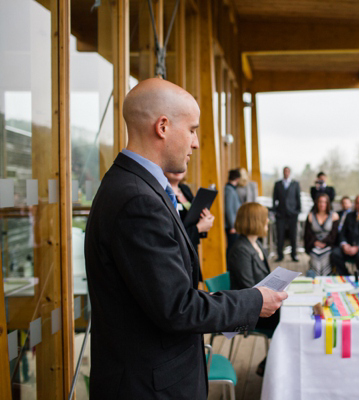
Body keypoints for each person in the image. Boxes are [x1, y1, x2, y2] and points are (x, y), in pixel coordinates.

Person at [84, 78, 287, 399]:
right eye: (192, 130)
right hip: (150, 386)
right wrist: (255, 300)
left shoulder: (134, 186)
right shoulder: (137, 199)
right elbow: (177, 307)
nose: (195, 143)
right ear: (162, 126)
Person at [227, 202, 279, 376]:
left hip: (262, 301)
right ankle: (269, 363)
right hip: (248, 309)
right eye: (264, 219)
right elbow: (248, 287)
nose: (267, 222)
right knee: (286, 320)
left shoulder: (257, 245)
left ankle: (271, 362)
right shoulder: (240, 249)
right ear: (255, 220)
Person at [165, 171, 214, 248]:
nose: (178, 169)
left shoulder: (185, 189)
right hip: (178, 250)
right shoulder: (164, 191)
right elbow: (171, 234)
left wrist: (205, 219)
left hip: (192, 246)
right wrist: (198, 228)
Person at [304, 193, 340, 276]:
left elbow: (334, 234)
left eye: (324, 202)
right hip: (314, 245)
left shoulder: (334, 216)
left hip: (328, 245)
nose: (322, 204)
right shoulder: (310, 216)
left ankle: (326, 278)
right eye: (320, 202)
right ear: (316, 203)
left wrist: (324, 243)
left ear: (327, 203)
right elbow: (308, 234)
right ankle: (315, 279)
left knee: (326, 255)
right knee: (314, 255)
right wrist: (315, 242)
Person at [272, 166, 301, 261]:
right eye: (285, 171)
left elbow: (298, 198)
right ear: (283, 172)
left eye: (288, 171)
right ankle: (280, 255)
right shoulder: (278, 184)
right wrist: (275, 211)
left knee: (293, 235)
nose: (286, 173)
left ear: (290, 172)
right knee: (280, 235)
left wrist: (298, 211)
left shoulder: (295, 184)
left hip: (292, 214)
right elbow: (274, 198)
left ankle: (294, 255)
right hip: (281, 214)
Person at [225, 169, 242, 246]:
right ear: (237, 179)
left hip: (234, 225)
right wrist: (232, 226)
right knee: (232, 246)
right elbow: (229, 209)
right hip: (232, 226)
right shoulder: (229, 190)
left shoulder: (232, 189)